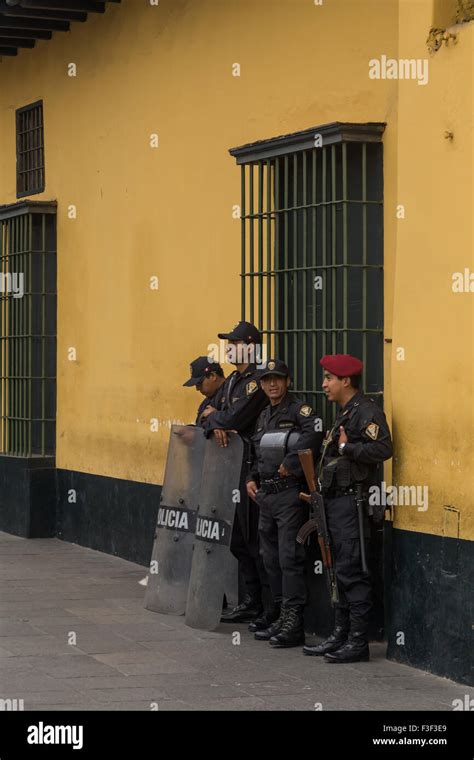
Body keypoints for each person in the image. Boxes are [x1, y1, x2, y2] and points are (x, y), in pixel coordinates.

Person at [302, 354, 392, 663]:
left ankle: (358, 643)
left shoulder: (365, 412)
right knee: (337, 571)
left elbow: (383, 448)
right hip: (334, 503)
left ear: (346, 381)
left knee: (352, 571)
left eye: (329, 378)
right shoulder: (345, 414)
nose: (324, 384)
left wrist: (346, 448)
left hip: (351, 504)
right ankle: (340, 635)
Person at [246, 359, 323, 647]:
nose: (272, 384)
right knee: (270, 556)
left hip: (290, 493)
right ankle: (279, 613)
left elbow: (314, 436)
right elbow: (257, 452)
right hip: (266, 495)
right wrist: (251, 478)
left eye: (277, 379)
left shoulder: (301, 411)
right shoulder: (264, 415)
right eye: (267, 380)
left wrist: (291, 463)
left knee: (289, 558)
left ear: (288, 381)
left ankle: (294, 622)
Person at [201, 321, 270, 623]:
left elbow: (238, 418)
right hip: (230, 468)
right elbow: (202, 414)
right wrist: (216, 422)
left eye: (234, 342)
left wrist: (218, 418)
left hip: (251, 468)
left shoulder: (256, 382)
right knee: (238, 539)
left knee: (254, 540)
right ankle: (250, 601)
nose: (228, 347)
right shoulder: (231, 381)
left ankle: (265, 606)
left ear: (250, 346)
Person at [183, 356, 225, 425]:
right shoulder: (205, 403)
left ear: (212, 376)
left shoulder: (232, 394)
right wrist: (190, 431)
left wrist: (217, 417)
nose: (197, 389)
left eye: (199, 384)